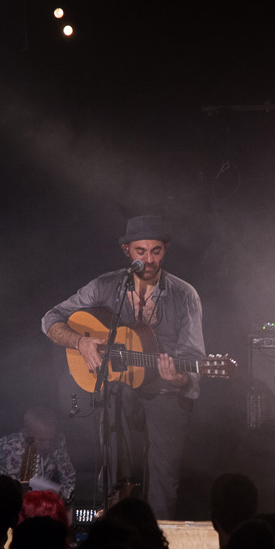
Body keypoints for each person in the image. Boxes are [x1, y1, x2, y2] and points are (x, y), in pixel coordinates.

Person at [42, 215, 205, 519]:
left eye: (156, 251)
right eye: (141, 251)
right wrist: (80, 342)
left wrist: (181, 377)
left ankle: (157, 541)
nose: (149, 259)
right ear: (127, 251)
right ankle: (115, 532)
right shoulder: (105, 286)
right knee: (115, 474)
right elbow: (50, 319)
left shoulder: (185, 295)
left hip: (167, 392)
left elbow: (193, 354)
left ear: (165, 250)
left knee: (163, 480)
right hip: (119, 389)